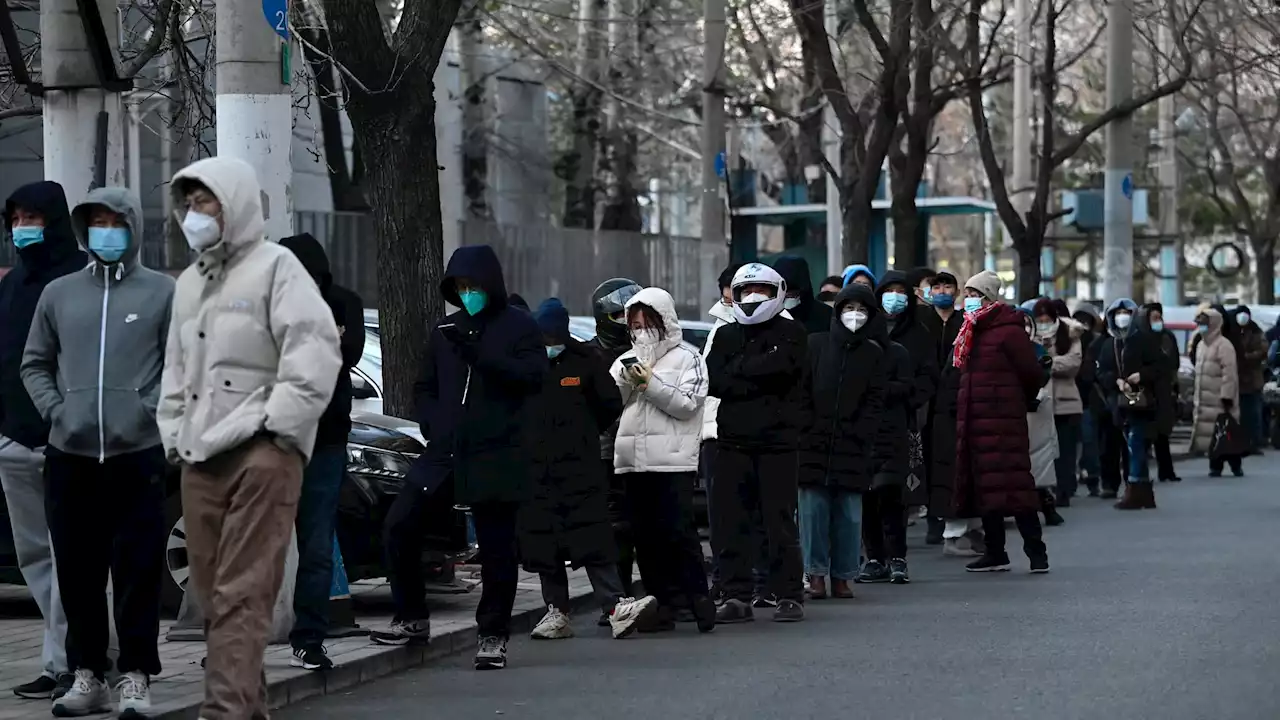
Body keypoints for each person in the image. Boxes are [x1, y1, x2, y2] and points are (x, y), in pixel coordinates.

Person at [158, 157, 343, 719]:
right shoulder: (190, 283)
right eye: (187, 205)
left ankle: (222, 713)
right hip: (200, 458)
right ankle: (245, 708)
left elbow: (315, 354)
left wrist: (278, 434)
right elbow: (175, 372)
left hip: (262, 455)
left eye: (205, 202)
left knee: (243, 593)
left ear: (232, 203)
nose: (195, 215)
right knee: (216, 599)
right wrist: (174, 435)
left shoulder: (276, 268)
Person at [19, 187, 172, 716]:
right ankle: (86, 673)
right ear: (84, 231)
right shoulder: (60, 294)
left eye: (115, 221)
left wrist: (145, 410)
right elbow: (34, 363)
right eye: (97, 222)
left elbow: (180, 366)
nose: (106, 230)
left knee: (138, 568)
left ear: (132, 227)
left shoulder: (161, 292)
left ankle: (135, 674)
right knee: (77, 570)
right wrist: (57, 411)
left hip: (138, 454)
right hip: (71, 454)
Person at [379, 246, 547, 672]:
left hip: (495, 453)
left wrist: (480, 355)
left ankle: (493, 634)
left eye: (473, 286)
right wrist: (434, 422)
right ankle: (412, 616)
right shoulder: (445, 330)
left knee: (496, 549)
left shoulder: (520, 327)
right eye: (460, 287)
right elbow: (425, 386)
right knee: (400, 525)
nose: (467, 294)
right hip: (446, 452)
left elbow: (532, 378)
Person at [521, 298, 658, 640]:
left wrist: (581, 433)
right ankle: (556, 611)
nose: (549, 345)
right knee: (544, 542)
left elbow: (609, 403)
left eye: (554, 338)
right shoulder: (524, 363)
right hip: (536, 469)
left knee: (594, 538)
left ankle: (615, 606)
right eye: (544, 338)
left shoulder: (586, 361)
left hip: (580, 467)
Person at [0, 181, 84, 701]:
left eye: (32, 216)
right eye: (15, 217)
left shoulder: (80, 279)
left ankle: (74, 660)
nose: (22, 227)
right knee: (35, 555)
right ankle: (64, 657)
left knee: (73, 554)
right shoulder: (11, 286)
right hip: (14, 441)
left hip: (66, 441)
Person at [278, 233, 366, 671]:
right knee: (257, 547)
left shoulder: (343, 302)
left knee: (315, 545)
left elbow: (346, 355)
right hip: (275, 441)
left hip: (325, 440)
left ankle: (309, 636)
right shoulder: (268, 304)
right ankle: (239, 641)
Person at [706, 263, 809, 623]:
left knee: (778, 522)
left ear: (777, 292)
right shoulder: (725, 335)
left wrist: (742, 371)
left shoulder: (793, 333)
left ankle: (789, 595)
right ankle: (736, 595)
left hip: (777, 444)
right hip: (732, 443)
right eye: (746, 290)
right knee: (730, 522)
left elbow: (783, 372)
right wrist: (755, 370)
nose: (753, 297)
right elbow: (716, 381)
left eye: (762, 290)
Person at [610, 287, 717, 633]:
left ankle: (699, 599)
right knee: (645, 538)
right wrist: (628, 383)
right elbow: (611, 404)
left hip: (672, 462)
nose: (642, 331)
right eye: (636, 325)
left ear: (665, 321)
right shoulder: (624, 359)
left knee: (679, 532)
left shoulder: (689, 358)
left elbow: (688, 404)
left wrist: (649, 384)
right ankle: (661, 605)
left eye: (648, 323)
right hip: (632, 461)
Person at [952, 271, 1049, 574]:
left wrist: (1015, 399)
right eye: (966, 294)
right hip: (976, 421)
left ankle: (1037, 553)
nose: (967, 300)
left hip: (1004, 421)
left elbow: (1030, 373)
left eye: (973, 294)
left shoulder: (1008, 330)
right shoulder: (970, 329)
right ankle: (996, 553)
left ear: (988, 297)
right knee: (987, 490)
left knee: (1017, 487)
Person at [799, 282, 887, 599]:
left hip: (854, 446)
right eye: (848, 308)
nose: (855, 315)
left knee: (849, 516)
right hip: (813, 444)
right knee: (812, 514)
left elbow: (876, 400)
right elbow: (802, 392)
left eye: (862, 310)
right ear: (837, 312)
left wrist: (862, 432)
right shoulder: (816, 345)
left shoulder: (874, 353)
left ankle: (843, 576)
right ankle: (816, 574)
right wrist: (806, 428)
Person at [858, 270, 938, 584]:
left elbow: (926, 377)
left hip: (899, 423)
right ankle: (873, 557)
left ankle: (897, 556)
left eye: (900, 290)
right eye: (888, 290)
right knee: (866, 495)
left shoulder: (918, 333)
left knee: (892, 493)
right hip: (863, 427)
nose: (894, 296)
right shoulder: (862, 337)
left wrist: (905, 400)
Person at [583, 278, 644, 600]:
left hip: (645, 448)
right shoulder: (591, 355)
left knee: (646, 525)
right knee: (613, 527)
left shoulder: (647, 351)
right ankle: (618, 597)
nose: (627, 324)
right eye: (620, 316)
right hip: (606, 451)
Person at [1114, 304, 1178, 509]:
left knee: (1136, 443)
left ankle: (1135, 487)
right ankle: (1142, 489)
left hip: (1145, 401)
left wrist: (1141, 375)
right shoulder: (1132, 340)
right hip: (1138, 400)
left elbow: (1163, 367)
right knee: (1137, 443)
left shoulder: (1151, 341)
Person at [1031, 299, 1084, 507]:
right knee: (1043, 451)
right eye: (1040, 319)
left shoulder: (1070, 334)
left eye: (1047, 319)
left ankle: (1064, 489)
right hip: (1040, 401)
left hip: (1066, 402)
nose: (1044, 322)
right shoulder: (1031, 335)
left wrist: (1048, 362)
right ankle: (1044, 491)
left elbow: (1073, 363)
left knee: (1066, 450)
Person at [1017, 306, 1063, 527]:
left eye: (1027, 324)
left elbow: (1042, 376)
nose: (1023, 329)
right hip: (1011, 410)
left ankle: (1047, 503)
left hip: (1036, 411)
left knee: (1041, 462)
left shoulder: (1038, 350)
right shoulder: (1002, 349)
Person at [1089, 299, 1138, 499]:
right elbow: (1099, 371)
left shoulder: (1139, 341)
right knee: (1109, 446)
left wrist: (1138, 378)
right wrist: (1115, 381)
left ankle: (1132, 483)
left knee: (1132, 445)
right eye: (1118, 313)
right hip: (1110, 401)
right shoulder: (1106, 343)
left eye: (1126, 313)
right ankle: (1109, 483)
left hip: (1136, 399)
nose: (1122, 317)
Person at [1190, 308, 1243, 477]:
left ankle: (1235, 464)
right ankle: (1215, 464)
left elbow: (1230, 373)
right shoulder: (1200, 345)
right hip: (1205, 400)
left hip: (1220, 399)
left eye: (1205, 324)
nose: (1202, 327)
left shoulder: (1224, 345)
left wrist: (1227, 396)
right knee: (1212, 434)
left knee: (1226, 432)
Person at [1142, 303, 1182, 482]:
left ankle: (1166, 471)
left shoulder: (1167, 337)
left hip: (1164, 389)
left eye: (1159, 318)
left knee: (1163, 432)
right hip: (1147, 390)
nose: (1158, 322)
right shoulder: (1141, 338)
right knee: (1146, 433)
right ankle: (1140, 475)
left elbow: (1174, 362)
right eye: (1153, 318)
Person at [1072, 303, 1104, 492]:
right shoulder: (1068, 340)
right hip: (1071, 397)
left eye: (1086, 320)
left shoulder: (1097, 342)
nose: (1082, 325)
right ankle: (1072, 478)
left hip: (1088, 400)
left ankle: (1092, 477)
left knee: (1089, 440)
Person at [1233, 305, 1267, 453]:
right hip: (1237, 379)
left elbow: (1262, 351)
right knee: (1239, 413)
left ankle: (1254, 442)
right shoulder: (1232, 332)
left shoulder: (1256, 332)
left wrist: (1246, 357)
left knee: (1253, 413)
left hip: (1253, 379)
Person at [772, 255, 832, 335]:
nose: (789, 298)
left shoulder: (826, 315)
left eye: (794, 294)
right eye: (784, 293)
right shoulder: (765, 316)